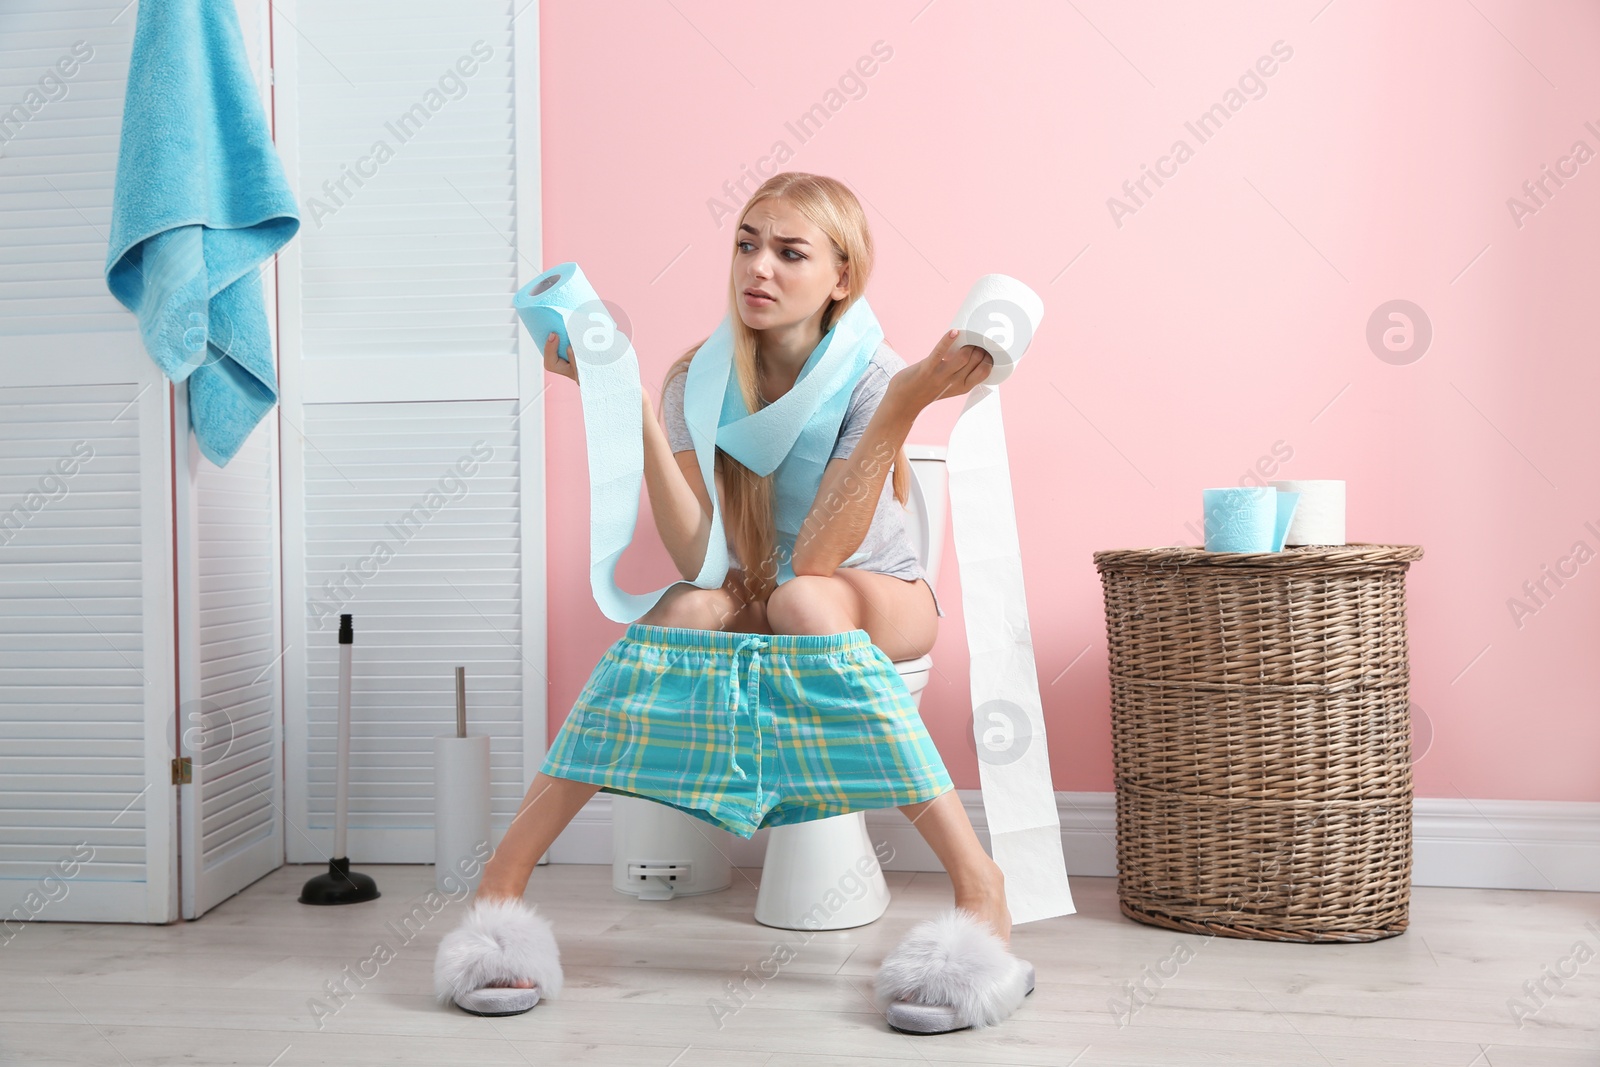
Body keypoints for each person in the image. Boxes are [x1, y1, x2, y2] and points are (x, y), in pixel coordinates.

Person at [434, 172, 1032, 1033]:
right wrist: (631, 404)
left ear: (842, 279)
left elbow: (822, 558)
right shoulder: (697, 378)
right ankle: (503, 883)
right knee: (680, 613)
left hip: (879, 591)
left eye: (790, 252)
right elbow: (695, 558)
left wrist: (903, 406)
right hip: (761, 590)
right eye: (748, 243)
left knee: (805, 603)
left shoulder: (876, 375)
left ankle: (982, 883)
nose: (759, 267)